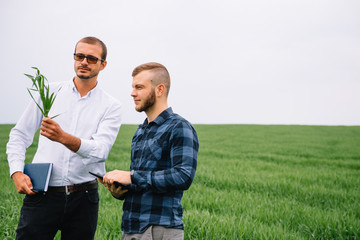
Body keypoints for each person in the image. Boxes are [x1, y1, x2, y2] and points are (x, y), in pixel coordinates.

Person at [6, 36, 122, 240]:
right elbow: (19, 135)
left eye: (91, 59)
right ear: (74, 58)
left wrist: (63, 137)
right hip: (41, 195)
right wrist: (16, 171)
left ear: (103, 65)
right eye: (79, 56)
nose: (84, 62)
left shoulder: (111, 106)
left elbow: (100, 150)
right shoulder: (48, 91)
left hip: (84, 198)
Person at [102, 62, 199, 240]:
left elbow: (183, 176)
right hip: (130, 227)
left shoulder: (180, 127)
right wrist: (121, 190)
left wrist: (131, 176)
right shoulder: (140, 131)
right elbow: (144, 181)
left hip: (160, 229)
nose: (132, 93)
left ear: (159, 90)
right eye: (133, 87)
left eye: (139, 87)